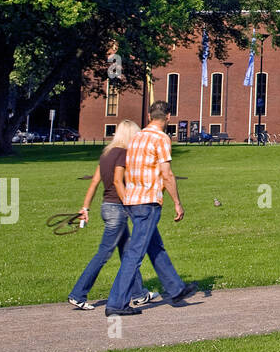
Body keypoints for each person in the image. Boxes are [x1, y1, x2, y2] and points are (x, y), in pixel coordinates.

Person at [105, 101, 197, 317]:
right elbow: (167, 174)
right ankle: (116, 303)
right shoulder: (162, 139)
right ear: (168, 116)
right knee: (134, 253)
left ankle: (175, 289)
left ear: (148, 115)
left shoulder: (136, 138)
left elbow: (127, 169)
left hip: (132, 200)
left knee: (155, 246)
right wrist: (177, 202)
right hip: (148, 202)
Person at [68, 120, 159, 310]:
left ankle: (139, 293)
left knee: (128, 252)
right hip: (117, 209)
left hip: (106, 207)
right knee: (104, 253)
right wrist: (132, 207)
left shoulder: (106, 154)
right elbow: (119, 182)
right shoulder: (123, 154)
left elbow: (94, 183)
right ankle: (78, 293)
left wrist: (85, 208)